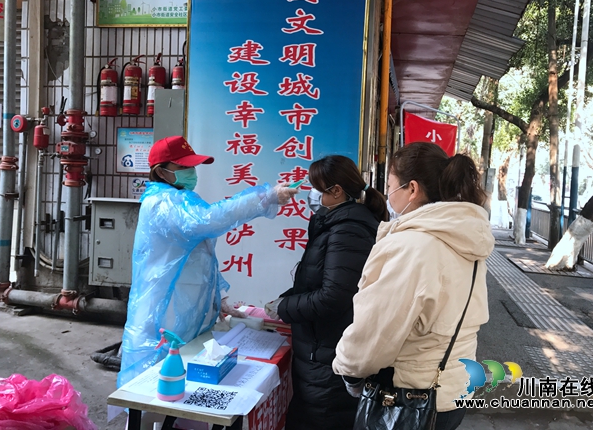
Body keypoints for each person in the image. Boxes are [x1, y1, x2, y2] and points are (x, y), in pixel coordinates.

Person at [332, 142, 495, 430]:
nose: (387, 192)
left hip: (409, 400)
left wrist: (350, 372)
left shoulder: (412, 245)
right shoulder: (467, 238)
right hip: (455, 392)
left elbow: (375, 331)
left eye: (391, 184)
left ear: (412, 189)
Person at [118, 135, 297, 387]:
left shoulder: (181, 199)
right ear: (161, 171)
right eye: (184, 167)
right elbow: (208, 221)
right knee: (153, 395)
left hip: (184, 314)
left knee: (183, 391)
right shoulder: (162, 202)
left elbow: (202, 259)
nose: (192, 172)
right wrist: (264, 198)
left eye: (193, 166)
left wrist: (218, 300)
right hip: (164, 316)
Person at [264, 155, 387, 430]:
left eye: (316, 187)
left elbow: (334, 296)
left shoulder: (348, 230)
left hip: (327, 355)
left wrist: (285, 308)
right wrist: (285, 299)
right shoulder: (334, 222)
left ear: (336, 191)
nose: (311, 194)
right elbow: (319, 281)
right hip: (318, 352)